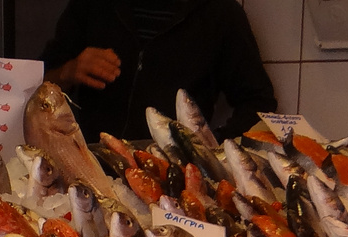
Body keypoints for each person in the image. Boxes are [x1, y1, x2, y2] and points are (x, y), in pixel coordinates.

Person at [41, 0, 278, 142]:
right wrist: (68, 72)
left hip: (174, 183)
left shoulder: (220, 13)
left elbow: (259, 102)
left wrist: (212, 148)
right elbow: (35, 84)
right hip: (90, 170)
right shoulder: (91, 6)